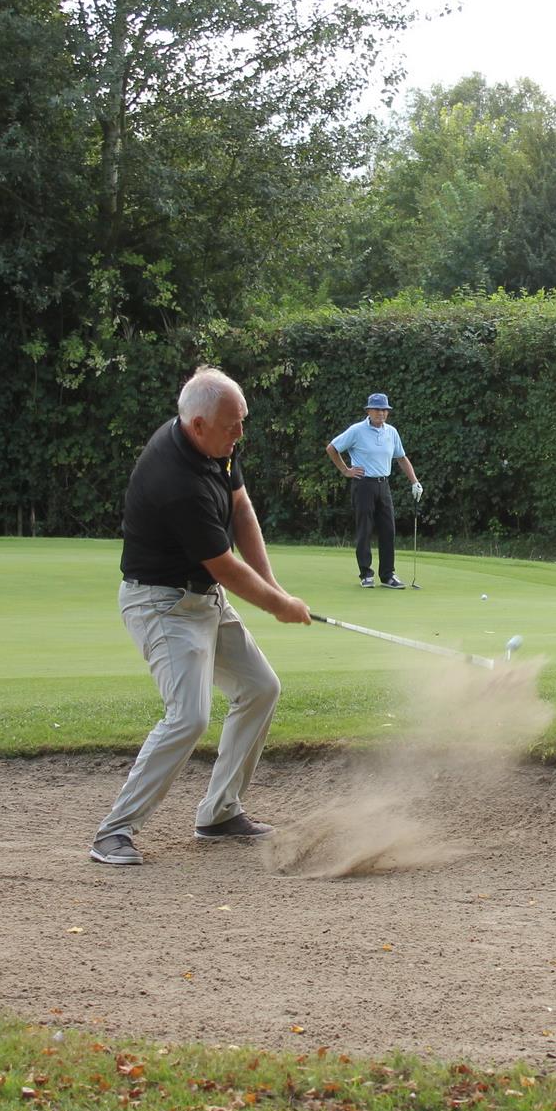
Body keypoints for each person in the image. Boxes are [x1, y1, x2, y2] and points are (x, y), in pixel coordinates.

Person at [90, 367, 312, 867]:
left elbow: (242, 509)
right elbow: (224, 566)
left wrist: (275, 587)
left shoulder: (218, 446)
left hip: (203, 597)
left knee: (261, 687)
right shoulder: (175, 481)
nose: (241, 434)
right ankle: (114, 832)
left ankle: (219, 813)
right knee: (189, 716)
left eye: (242, 421)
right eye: (232, 425)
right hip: (162, 605)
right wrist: (279, 606)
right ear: (196, 425)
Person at [326, 392, 422, 589]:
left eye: (384, 410)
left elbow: (401, 458)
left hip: (383, 484)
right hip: (363, 485)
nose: (381, 413)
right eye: (377, 409)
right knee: (365, 529)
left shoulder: (391, 432)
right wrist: (346, 470)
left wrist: (415, 482)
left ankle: (388, 575)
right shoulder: (357, 430)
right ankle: (366, 574)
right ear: (368, 410)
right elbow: (332, 448)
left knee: (388, 529)